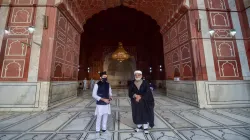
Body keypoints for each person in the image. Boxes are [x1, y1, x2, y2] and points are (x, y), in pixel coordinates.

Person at [129, 70, 155, 134]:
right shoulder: (132, 83)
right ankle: (139, 126)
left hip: (144, 101)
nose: (137, 76)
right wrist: (135, 96)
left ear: (141, 75)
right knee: (137, 113)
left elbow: (148, 92)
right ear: (134, 76)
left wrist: (141, 97)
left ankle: (145, 127)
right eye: (136, 75)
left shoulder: (145, 83)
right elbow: (130, 92)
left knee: (145, 114)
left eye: (138, 75)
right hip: (136, 102)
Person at [92, 71, 112, 137]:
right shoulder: (97, 84)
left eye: (106, 77)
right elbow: (94, 95)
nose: (105, 78)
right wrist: (103, 99)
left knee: (105, 116)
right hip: (100, 103)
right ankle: (97, 130)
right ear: (100, 77)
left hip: (107, 103)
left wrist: (110, 96)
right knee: (99, 116)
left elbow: (110, 92)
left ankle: (104, 129)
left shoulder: (108, 84)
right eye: (104, 77)